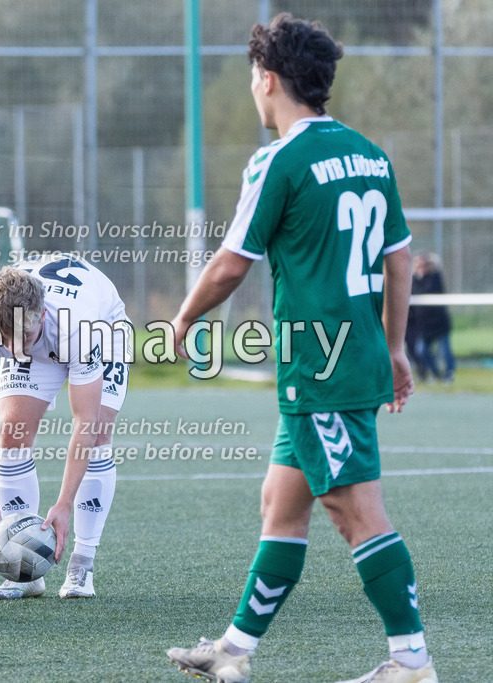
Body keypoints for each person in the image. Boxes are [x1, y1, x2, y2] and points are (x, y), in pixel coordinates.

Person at [164, 14, 436, 683]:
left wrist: (181, 321)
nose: (254, 90)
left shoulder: (280, 159)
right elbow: (399, 262)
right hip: (356, 357)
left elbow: (231, 265)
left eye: (253, 78)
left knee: (354, 511)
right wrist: (396, 349)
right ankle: (234, 648)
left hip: (321, 366)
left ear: (269, 79)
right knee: (280, 502)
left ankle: (411, 660)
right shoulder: (371, 154)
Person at [0, 255, 132, 600]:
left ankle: (82, 564)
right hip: (47, 335)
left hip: (106, 327)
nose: (12, 350)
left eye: (21, 336)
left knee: (98, 436)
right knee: (11, 434)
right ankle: (22, 572)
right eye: (4, 339)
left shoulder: (78, 329)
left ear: (42, 315)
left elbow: (86, 422)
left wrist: (64, 503)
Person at [411, 252, 455, 383]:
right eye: (419, 265)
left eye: (425, 264)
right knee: (421, 350)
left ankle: (449, 374)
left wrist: (430, 260)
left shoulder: (435, 277)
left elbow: (437, 266)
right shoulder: (414, 280)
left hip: (440, 323)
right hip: (425, 325)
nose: (422, 267)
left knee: (445, 351)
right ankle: (436, 374)